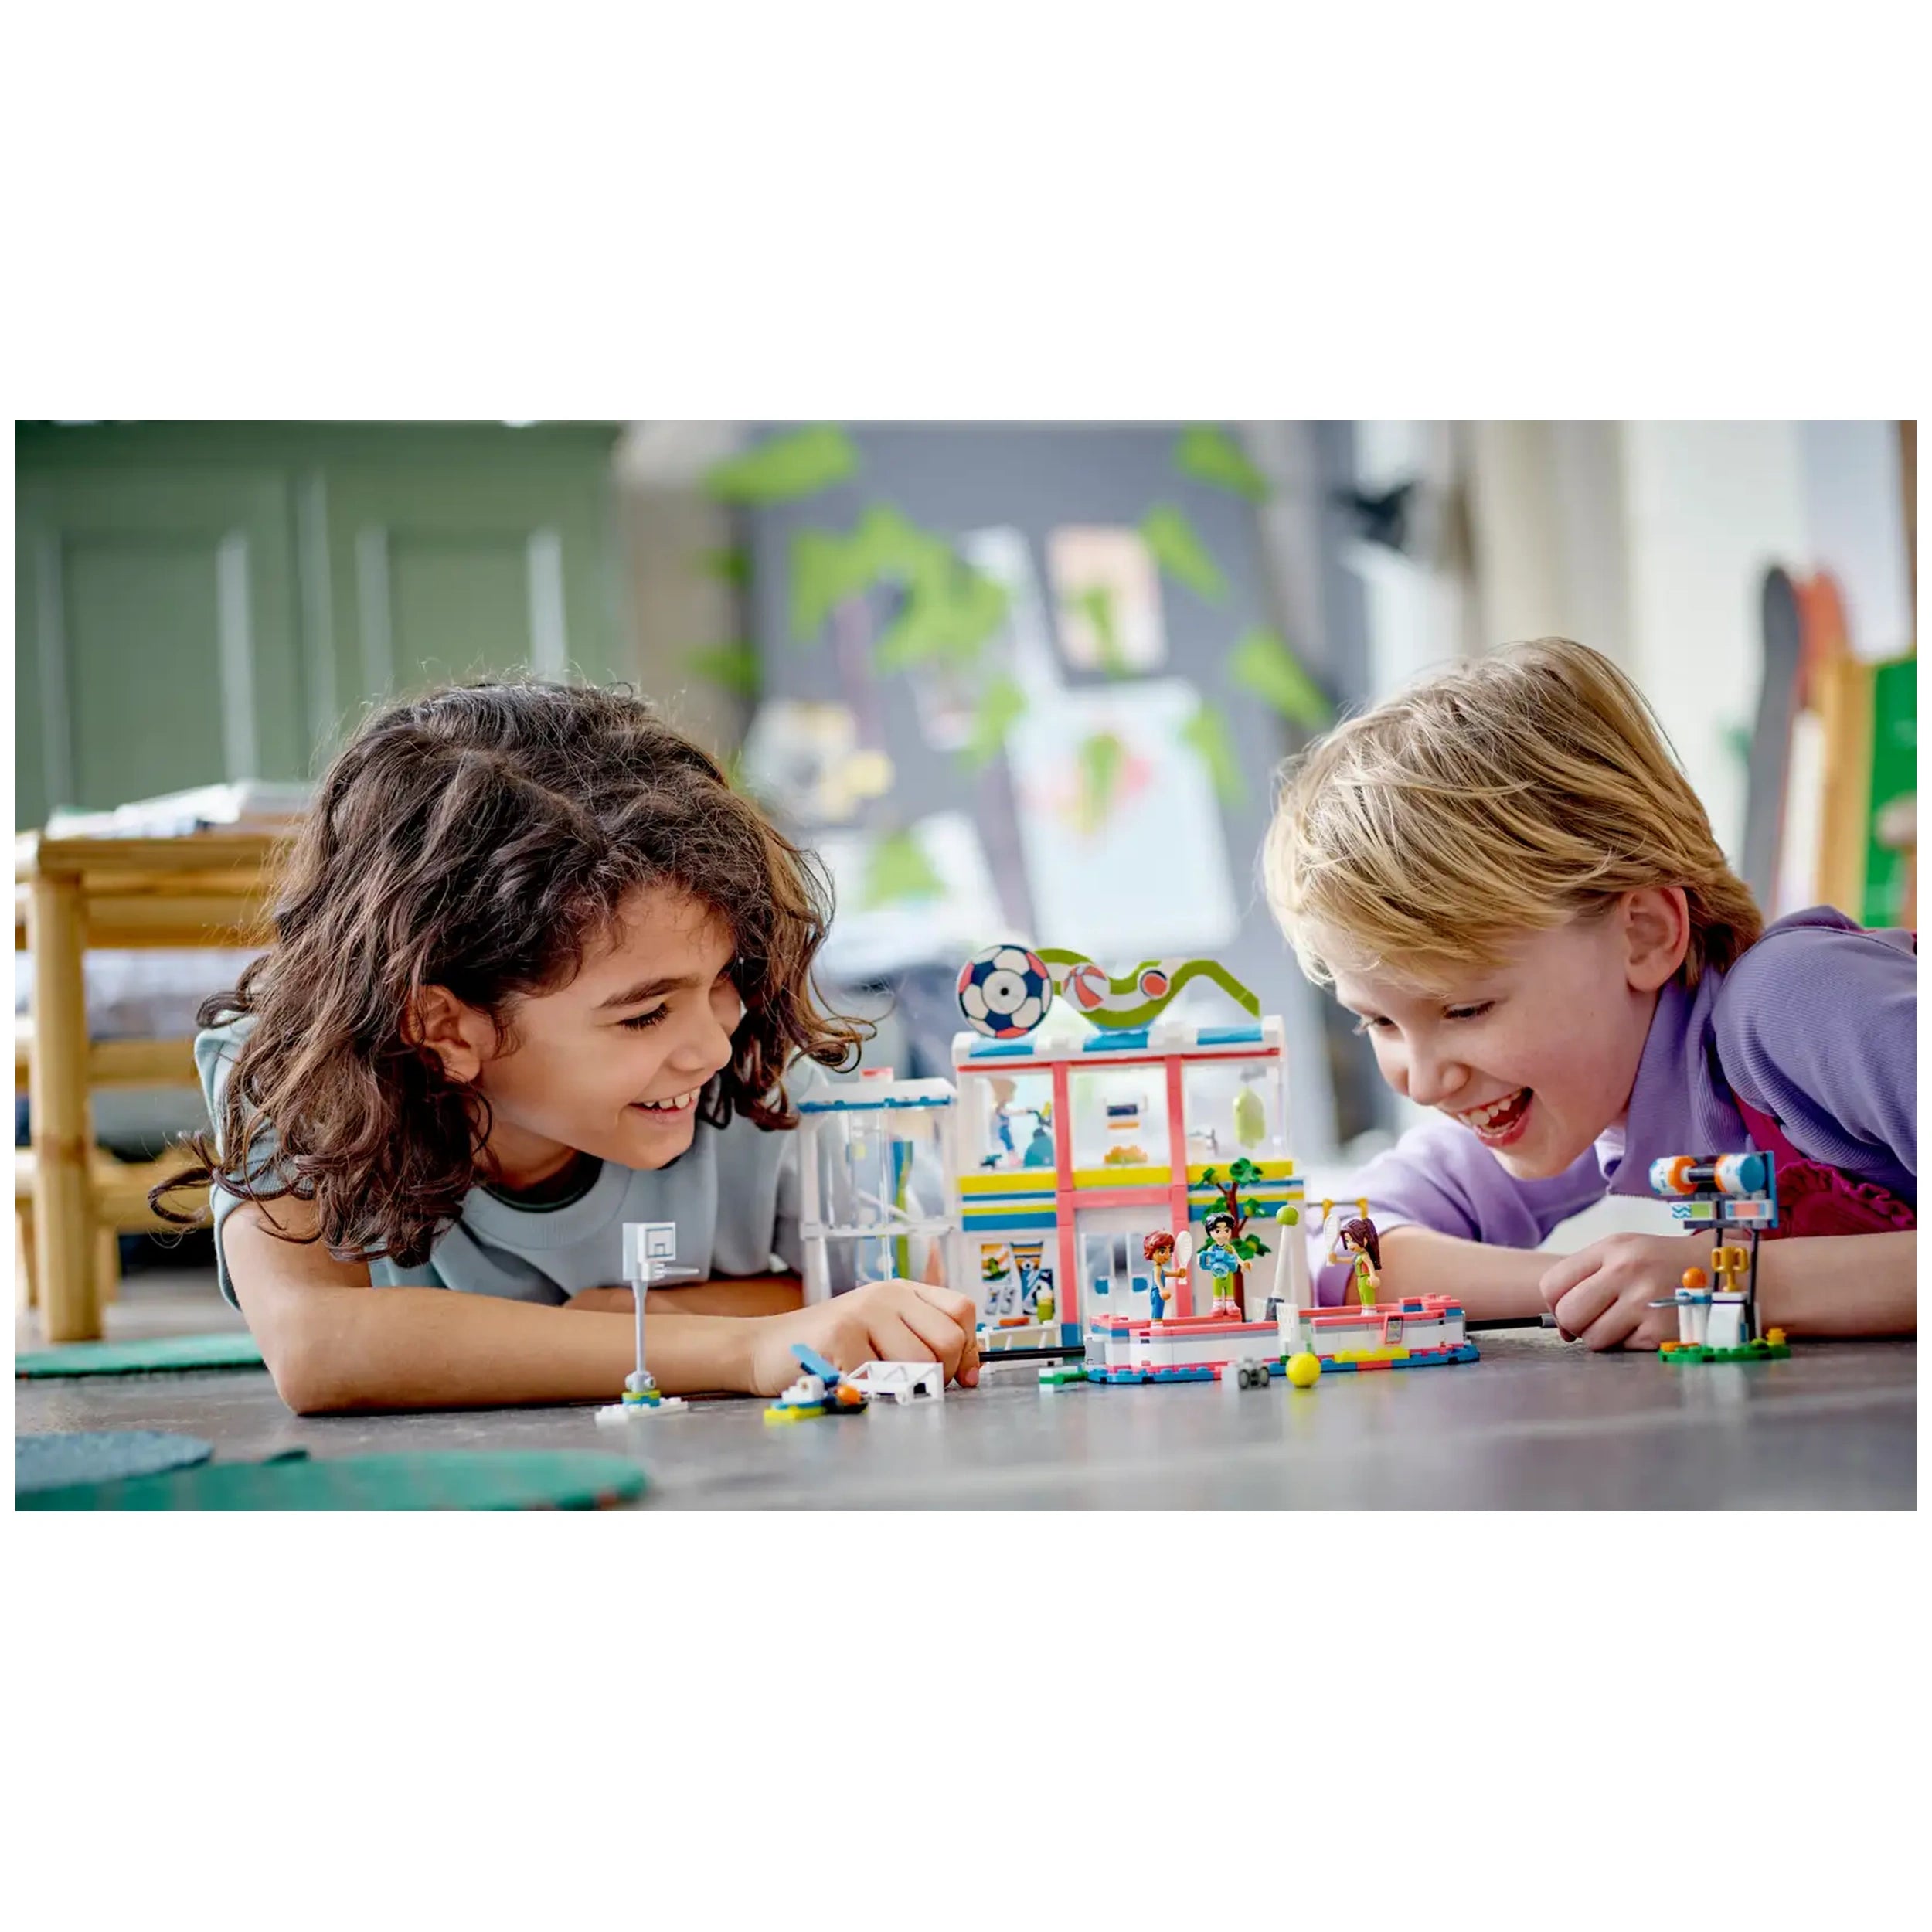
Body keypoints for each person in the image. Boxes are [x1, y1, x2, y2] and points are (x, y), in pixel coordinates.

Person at [154, 680, 980, 1413]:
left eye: (723, 976)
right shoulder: (300, 1069)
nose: (708, 1049)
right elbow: (317, 1343)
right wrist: (742, 1341)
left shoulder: (762, 1055)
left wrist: (637, 1317)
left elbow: (922, 1292)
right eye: (643, 1016)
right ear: (444, 1028)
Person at [1262, 637, 1914, 1348]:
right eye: (1379, 1023)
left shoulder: (1796, 1003)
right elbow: (1344, 1252)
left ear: (1642, 934)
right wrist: (1600, 1280)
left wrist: (1734, 1282)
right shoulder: (1589, 1099)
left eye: (1466, 1008)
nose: (1423, 1081)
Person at [1197, 1210, 1246, 1317]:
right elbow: (1205, 1257)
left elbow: (1237, 1257)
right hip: (1217, 1274)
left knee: (1229, 1289)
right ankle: (1217, 1305)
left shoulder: (1230, 1248)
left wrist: (1243, 1264)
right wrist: (1201, 1260)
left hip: (1228, 1273)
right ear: (1210, 1232)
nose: (1223, 1234)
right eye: (1218, 1231)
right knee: (1217, 1289)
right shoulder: (1212, 1248)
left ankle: (1230, 1305)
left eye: (1227, 1230)